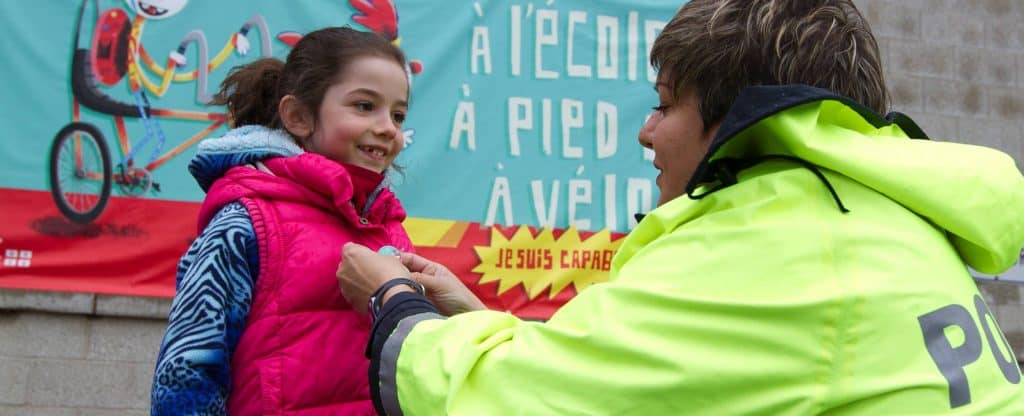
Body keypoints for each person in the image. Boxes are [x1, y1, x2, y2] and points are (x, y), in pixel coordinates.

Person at [336, 0, 1024, 414]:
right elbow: (622, 372)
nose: (646, 132)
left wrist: (396, 303)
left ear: (745, 119)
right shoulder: (880, 221)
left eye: (665, 105)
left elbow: (512, 399)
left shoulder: (763, 248)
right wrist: (479, 315)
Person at [150, 27, 413, 415]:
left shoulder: (389, 228)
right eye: (364, 106)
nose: (388, 127)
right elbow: (187, 369)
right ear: (298, 116)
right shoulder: (246, 222)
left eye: (398, 114)